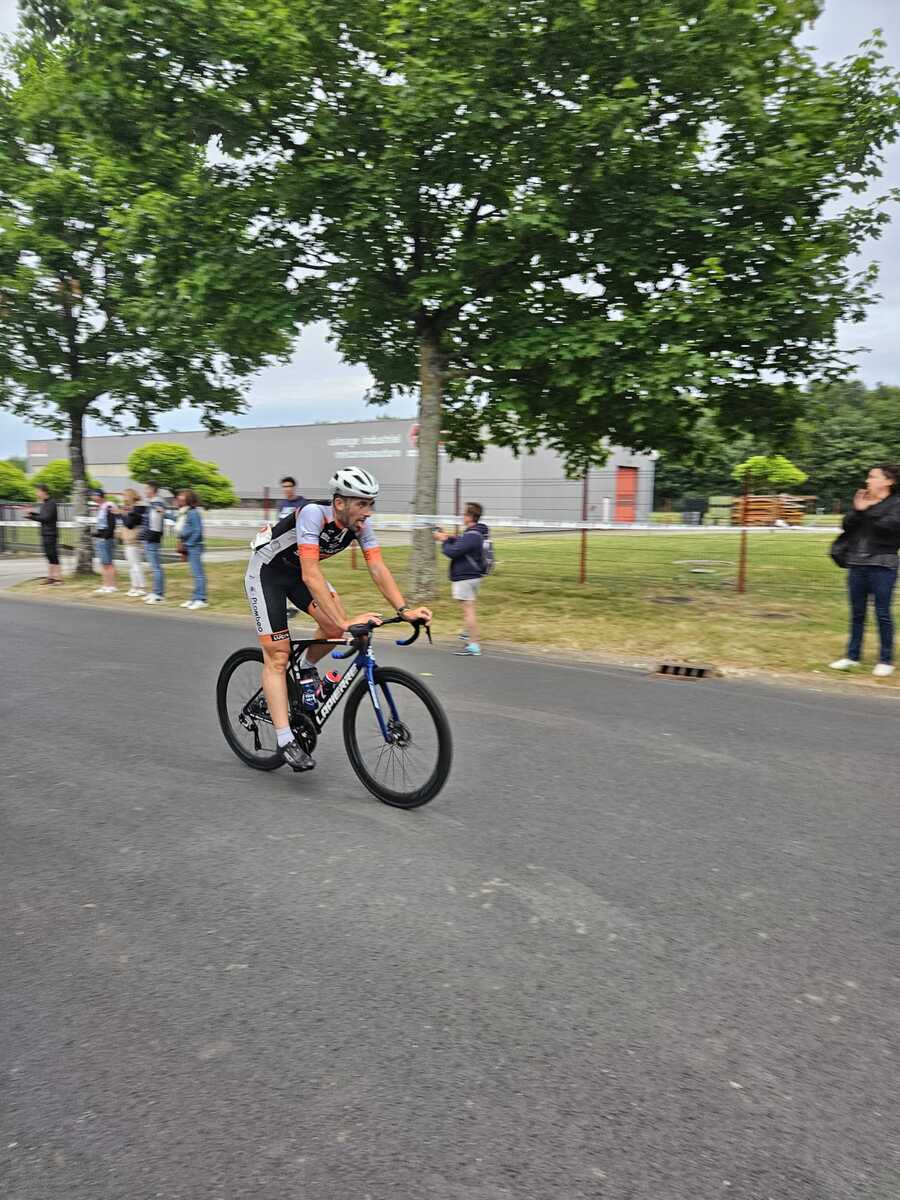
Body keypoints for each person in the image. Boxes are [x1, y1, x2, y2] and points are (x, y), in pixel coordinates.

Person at [244, 466, 431, 772]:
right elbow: (311, 573)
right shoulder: (312, 515)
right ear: (340, 502)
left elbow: (377, 567)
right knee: (278, 655)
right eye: (362, 503)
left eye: (371, 504)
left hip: (297, 575)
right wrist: (344, 623)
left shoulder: (359, 525)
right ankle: (285, 739)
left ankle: (306, 668)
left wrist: (404, 610)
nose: (368, 512)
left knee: (333, 626)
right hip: (267, 574)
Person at [830, 464, 900, 678]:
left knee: (882, 613)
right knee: (857, 613)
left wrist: (866, 511)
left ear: (888, 481)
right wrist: (858, 511)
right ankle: (852, 657)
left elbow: (888, 527)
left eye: (872, 477)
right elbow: (846, 525)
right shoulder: (864, 501)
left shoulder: (896, 504)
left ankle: (885, 660)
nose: (868, 481)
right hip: (857, 564)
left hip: (882, 565)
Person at [433, 501, 490, 656]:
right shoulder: (476, 533)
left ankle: (473, 645)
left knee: (468, 611)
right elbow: (460, 542)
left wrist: (443, 541)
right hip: (473, 576)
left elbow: (452, 552)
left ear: (470, 516)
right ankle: (468, 633)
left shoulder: (471, 535)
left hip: (465, 577)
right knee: (469, 609)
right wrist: (447, 536)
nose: (462, 516)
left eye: (464, 514)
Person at [176, 489, 207, 610]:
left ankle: (201, 599)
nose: (179, 497)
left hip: (195, 546)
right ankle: (195, 598)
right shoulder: (187, 512)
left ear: (188, 499)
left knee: (198, 574)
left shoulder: (193, 513)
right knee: (195, 574)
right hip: (191, 545)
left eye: (182, 496)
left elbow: (198, 530)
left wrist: (189, 543)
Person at [26, 484, 62, 584]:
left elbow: (46, 518)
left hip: (51, 534)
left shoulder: (51, 503)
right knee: (49, 555)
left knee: (53, 555)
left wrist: (31, 517)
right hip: (45, 533)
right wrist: (32, 513)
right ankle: (51, 578)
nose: (36, 493)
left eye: (37, 491)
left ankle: (59, 579)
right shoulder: (45, 503)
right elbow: (42, 515)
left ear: (44, 492)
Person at [142, 481, 168, 604]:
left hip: (152, 538)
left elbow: (156, 523)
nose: (145, 491)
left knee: (156, 567)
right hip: (150, 538)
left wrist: (149, 537)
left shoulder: (157, 503)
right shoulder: (153, 502)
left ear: (152, 489)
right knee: (154, 567)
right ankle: (156, 592)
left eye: (146, 488)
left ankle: (159, 595)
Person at [118, 488, 147, 597]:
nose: (124, 498)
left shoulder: (138, 508)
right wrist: (123, 513)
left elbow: (129, 524)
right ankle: (134, 586)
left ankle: (142, 587)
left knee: (136, 564)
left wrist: (122, 514)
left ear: (131, 496)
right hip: (127, 540)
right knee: (131, 565)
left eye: (125, 495)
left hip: (134, 540)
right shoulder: (129, 508)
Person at [91, 488, 118, 594]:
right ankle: (105, 585)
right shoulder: (101, 507)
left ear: (99, 496)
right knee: (104, 563)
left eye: (94, 495)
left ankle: (111, 586)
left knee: (108, 563)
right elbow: (102, 526)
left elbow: (111, 524)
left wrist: (104, 537)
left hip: (106, 539)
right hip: (102, 537)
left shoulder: (108, 506)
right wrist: (96, 534)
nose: (93, 497)